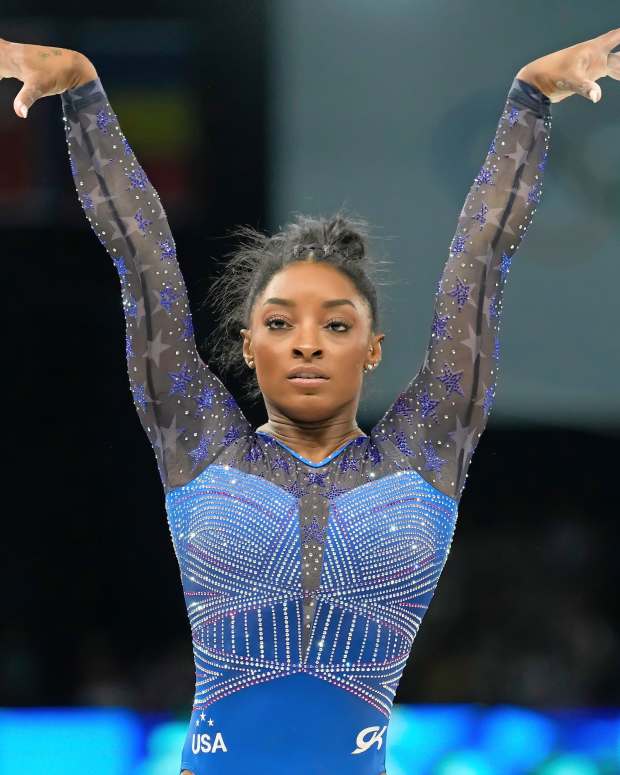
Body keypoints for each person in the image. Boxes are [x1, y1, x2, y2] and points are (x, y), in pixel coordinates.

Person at [2, 28, 618, 775]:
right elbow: (143, 261)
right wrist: (83, 92)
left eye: (336, 324)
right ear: (248, 345)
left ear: (374, 348)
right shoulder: (197, 440)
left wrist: (530, 100)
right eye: (280, 323)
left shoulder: (427, 447)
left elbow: (481, 265)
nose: (307, 342)